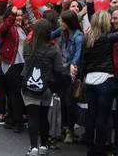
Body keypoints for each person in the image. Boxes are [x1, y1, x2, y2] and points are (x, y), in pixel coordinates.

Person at [78, 11, 118, 156]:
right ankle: (99, 148)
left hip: (89, 80)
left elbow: (83, 61)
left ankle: (90, 147)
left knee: (91, 114)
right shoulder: (108, 38)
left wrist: (81, 79)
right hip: (105, 80)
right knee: (103, 116)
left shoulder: (87, 38)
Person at [21, 19, 63, 156]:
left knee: (32, 117)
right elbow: (58, 69)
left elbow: (26, 62)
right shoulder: (53, 49)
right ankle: (44, 145)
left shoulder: (27, 46)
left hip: (28, 86)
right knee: (44, 117)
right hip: (46, 87)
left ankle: (33, 148)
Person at [51, 10, 84, 143]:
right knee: (62, 102)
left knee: (70, 103)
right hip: (60, 72)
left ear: (69, 22)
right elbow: (47, 35)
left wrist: (73, 66)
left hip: (71, 74)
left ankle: (70, 130)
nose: (60, 22)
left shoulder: (78, 36)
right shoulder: (62, 31)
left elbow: (77, 54)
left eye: (62, 21)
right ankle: (63, 129)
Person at [0, 6, 27, 133]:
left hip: (22, 64)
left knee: (13, 93)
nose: (19, 17)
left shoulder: (22, 29)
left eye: (20, 15)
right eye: (17, 15)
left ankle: (10, 119)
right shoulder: (8, 28)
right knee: (15, 94)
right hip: (12, 64)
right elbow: (2, 30)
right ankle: (18, 122)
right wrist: (12, 14)